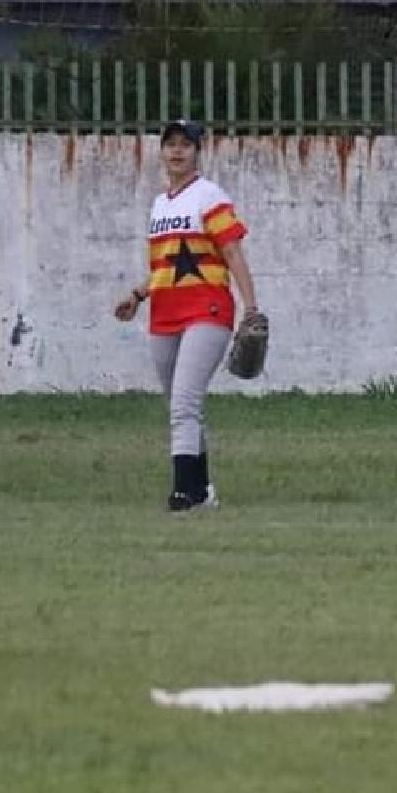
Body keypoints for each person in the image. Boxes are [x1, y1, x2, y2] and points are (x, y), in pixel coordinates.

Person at [114, 119, 259, 512]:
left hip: (207, 308)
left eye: (185, 145)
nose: (177, 151)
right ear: (161, 151)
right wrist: (137, 294)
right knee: (182, 406)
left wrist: (251, 307)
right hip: (165, 311)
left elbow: (231, 251)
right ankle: (203, 490)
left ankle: (183, 494)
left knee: (184, 402)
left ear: (197, 152)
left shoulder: (209, 196)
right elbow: (166, 264)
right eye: (170, 144)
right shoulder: (161, 204)